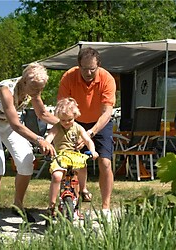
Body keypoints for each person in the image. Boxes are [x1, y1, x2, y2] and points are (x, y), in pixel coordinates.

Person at [0, 62, 59, 231]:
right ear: (24, 81)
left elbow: (42, 113)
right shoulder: (5, 90)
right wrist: (39, 139)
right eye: (35, 89)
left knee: (26, 160)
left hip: (7, 124)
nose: (37, 93)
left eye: (40, 89)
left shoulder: (33, 90)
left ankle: (18, 205)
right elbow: (16, 124)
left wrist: (67, 124)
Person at [57, 47, 116, 219]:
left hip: (100, 122)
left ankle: (105, 208)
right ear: (78, 65)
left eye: (92, 69)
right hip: (75, 120)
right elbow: (62, 107)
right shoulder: (69, 77)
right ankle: (73, 206)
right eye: (84, 69)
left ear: (99, 66)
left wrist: (90, 133)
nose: (88, 72)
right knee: (74, 163)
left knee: (105, 162)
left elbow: (107, 112)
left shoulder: (107, 79)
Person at [44, 97, 99, 218]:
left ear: (75, 116)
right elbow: (49, 138)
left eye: (70, 119)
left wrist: (93, 151)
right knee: (57, 176)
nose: (66, 123)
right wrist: (46, 146)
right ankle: (51, 205)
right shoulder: (57, 127)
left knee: (82, 168)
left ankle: (83, 190)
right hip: (61, 156)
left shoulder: (78, 127)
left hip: (74, 155)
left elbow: (88, 140)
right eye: (63, 120)